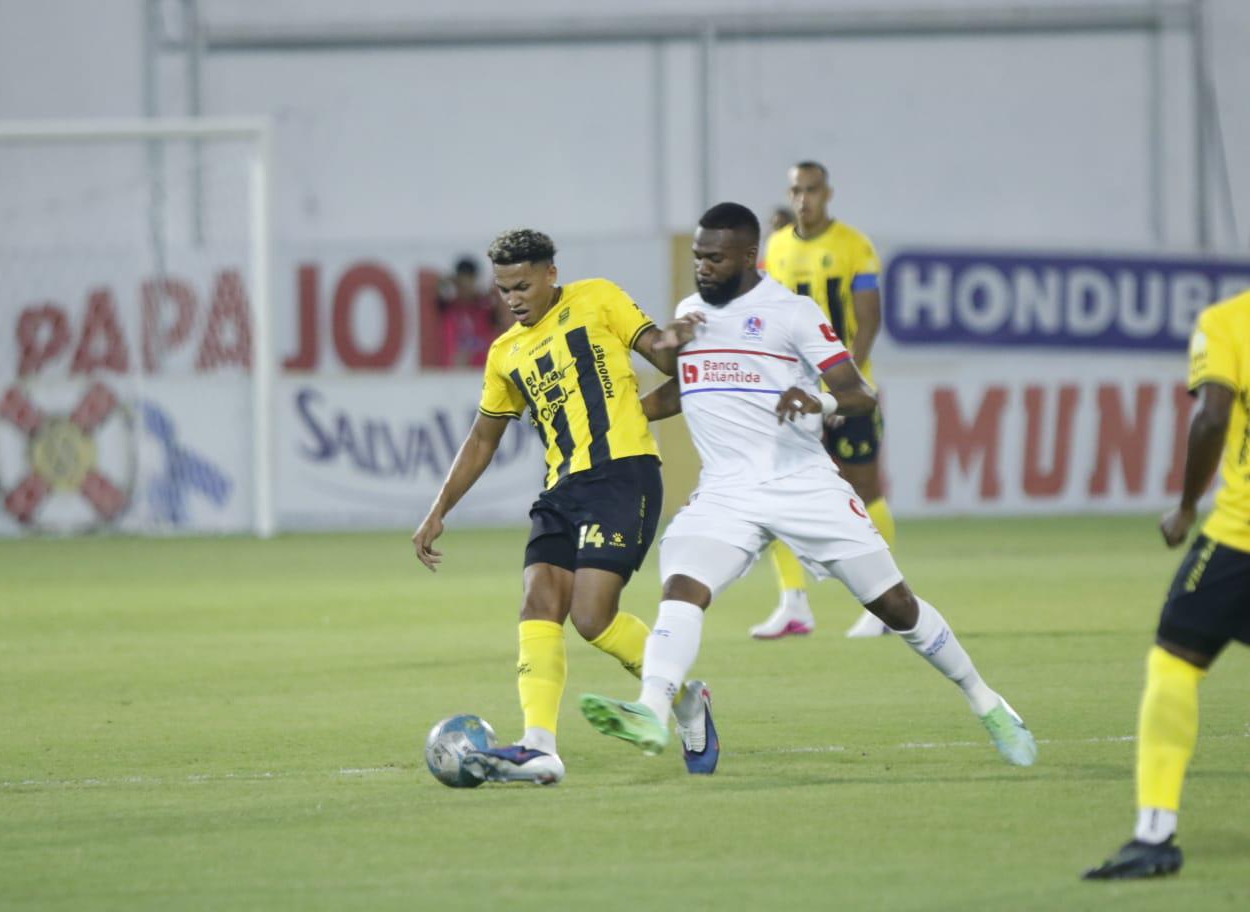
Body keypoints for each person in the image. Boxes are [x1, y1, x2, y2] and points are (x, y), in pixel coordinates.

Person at [577, 203, 1036, 772]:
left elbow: (859, 392)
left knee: (895, 604)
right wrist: (625, 419)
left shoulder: (790, 313)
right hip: (726, 491)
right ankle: (652, 709)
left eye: (715, 258)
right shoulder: (690, 312)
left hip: (802, 484)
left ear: (749, 257)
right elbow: (689, 387)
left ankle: (985, 700)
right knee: (682, 588)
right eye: (698, 256)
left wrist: (815, 399)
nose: (702, 267)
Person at [411, 228, 718, 785]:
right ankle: (539, 747)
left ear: (551, 273)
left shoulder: (598, 297)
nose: (514, 299)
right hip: (560, 490)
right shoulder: (506, 353)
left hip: (623, 475)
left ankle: (686, 697)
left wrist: (678, 342)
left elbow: (660, 355)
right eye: (504, 290)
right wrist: (439, 509)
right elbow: (483, 439)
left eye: (523, 285)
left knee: (592, 617)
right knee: (538, 601)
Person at [1084, 289, 1250, 880]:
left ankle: (1155, 834)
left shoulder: (1228, 321)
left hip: (1239, 540)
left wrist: (1185, 507)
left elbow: (1212, 418)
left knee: (1175, 663)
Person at [753, 161, 894, 639]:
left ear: (827, 192)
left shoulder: (854, 246)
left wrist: (843, 385)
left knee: (863, 490)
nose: (803, 199)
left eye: (811, 190)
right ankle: (794, 606)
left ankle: (883, 603)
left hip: (846, 391)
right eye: (796, 190)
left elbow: (868, 320)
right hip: (792, 394)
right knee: (773, 491)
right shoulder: (775, 247)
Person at [435, 256, 505, 367]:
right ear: (456, 282)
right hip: (452, 374)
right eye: (462, 282)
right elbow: (439, 288)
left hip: (481, 372)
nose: (465, 287)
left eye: (469, 281)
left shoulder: (486, 308)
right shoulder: (449, 308)